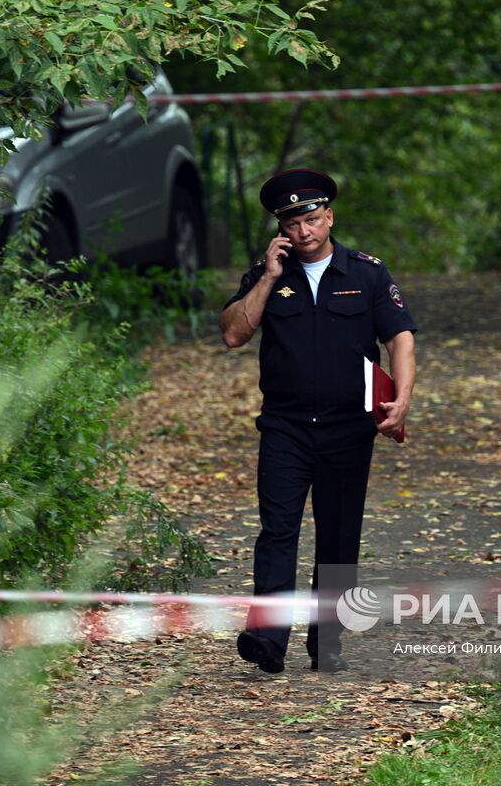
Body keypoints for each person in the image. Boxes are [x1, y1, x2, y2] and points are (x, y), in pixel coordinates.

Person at [219, 169, 417, 673]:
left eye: (310, 218)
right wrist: (266, 277)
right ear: (281, 229)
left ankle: (326, 641)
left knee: (338, 534)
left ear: (328, 215)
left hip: (349, 427)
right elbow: (234, 334)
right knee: (277, 531)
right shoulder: (267, 274)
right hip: (285, 426)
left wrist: (404, 397)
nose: (303, 231)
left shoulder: (367, 273)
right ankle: (267, 638)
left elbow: (400, 337)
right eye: (292, 223)